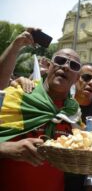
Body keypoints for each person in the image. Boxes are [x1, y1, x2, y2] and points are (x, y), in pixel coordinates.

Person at [0, 43, 82, 191]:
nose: (66, 67)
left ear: (77, 78)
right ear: (50, 66)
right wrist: (6, 148)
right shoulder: (18, 94)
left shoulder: (74, 112)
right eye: (61, 61)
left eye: (74, 66)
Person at [65, 62, 92, 191]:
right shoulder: (63, 102)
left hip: (84, 179)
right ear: (76, 78)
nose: (91, 83)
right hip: (59, 173)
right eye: (86, 77)